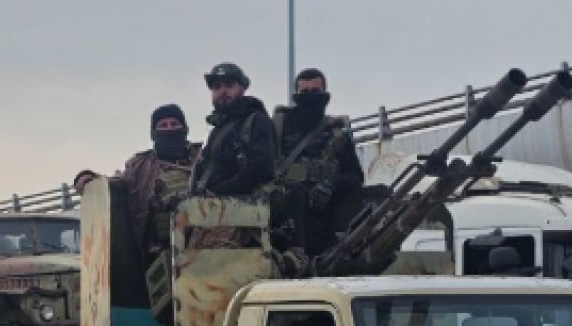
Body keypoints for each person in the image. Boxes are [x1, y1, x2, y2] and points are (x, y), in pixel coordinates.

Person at [74, 105, 203, 263]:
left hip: (205, 246)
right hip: (160, 253)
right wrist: (89, 178)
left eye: (174, 124)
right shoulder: (140, 166)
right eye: (163, 125)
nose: (169, 129)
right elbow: (117, 184)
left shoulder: (205, 159)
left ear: (185, 128)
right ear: (153, 133)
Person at [272, 68, 366, 271]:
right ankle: (295, 258)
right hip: (284, 211)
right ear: (296, 96)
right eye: (304, 93)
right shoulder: (278, 127)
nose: (310, 98)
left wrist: (330, 185)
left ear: (325, 96)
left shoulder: (337, 134)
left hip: (323, 212)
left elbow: (355, 177)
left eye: (315, 92)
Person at [189, 62, 276, 199]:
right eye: (217, 86)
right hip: (216, 207)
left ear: (242, 89)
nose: (223, 91)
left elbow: (261, 169)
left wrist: (221, 190)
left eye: (229, 85)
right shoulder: (218, 129)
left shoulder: (257, 121)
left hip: (245, 208)